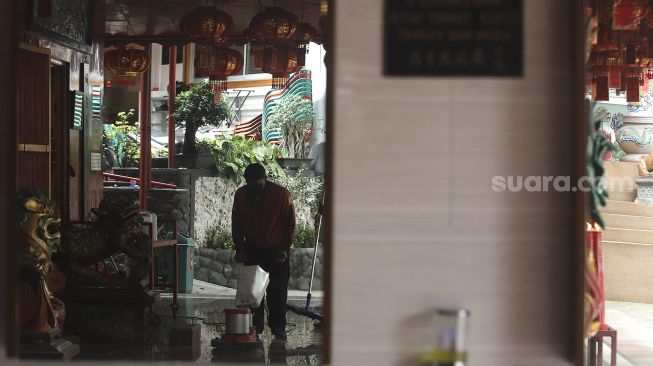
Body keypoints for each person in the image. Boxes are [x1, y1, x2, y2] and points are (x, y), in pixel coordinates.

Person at [232, 163, 296, 340]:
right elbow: (236, 224)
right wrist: (240, 248)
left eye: (258, 185)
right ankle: (255, 328)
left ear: (265, 179)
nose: (255, 189)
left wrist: (284, 248)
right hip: (252, 250)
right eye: (251, 185)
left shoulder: (281, 195)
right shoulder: (241, 196)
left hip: (277, 251)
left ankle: (278, 328)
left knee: (277, 292)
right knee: (252, 294)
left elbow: (290, 224)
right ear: (246, 182)